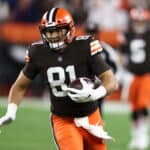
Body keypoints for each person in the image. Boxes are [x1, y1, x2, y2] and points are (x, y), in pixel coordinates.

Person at [0, 7, 118, 150]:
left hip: (91, 117)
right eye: (49, 31)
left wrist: (95, 93)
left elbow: (111, 81)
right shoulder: (38, 52)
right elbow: (20, 85)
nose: (53, 35)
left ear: (70, 29)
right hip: (63, 119)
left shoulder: (84, 47)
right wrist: (11, 111)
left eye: (58, 30)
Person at [121, 8, 150, 149]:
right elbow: (122, 55)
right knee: (133, 107)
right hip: (131, 74)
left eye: (141, 21)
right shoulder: (128, 35)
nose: (139, 24)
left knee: (142, 105)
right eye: (136, 21)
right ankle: (135, 136)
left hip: (146, 75)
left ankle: (143, 135)